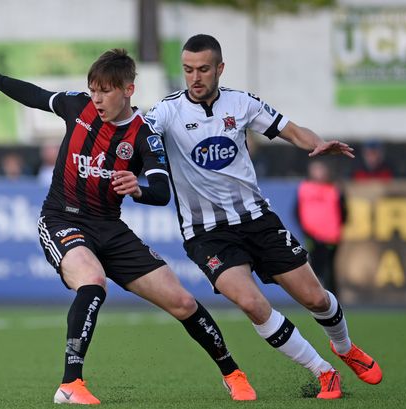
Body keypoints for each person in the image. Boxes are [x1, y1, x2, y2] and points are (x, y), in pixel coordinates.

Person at [0, 47, 256, 404]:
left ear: (128, 90)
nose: (97, 99)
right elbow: (33, 95)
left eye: (105, 91)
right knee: (93, 282)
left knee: (182, 302)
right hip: (62, 218)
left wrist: (138, 189)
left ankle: (233, 374)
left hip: (110, 228)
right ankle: (71, 384)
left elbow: (161, 192)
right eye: (93, 90)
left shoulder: (144, 135)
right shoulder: (77, 107)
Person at [145, 34, 383, 400]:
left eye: (204, 69)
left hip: (257, 220)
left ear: (219, 69)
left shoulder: (241, 103)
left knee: (316, 299)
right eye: (188, 69)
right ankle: (323, 371)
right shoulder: (167, 111)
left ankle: (345, 347)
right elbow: (134, 134)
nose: (195, 77)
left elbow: (291, 129)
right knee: (253, 304)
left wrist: (316, 143)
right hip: (206, 234)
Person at [297, 160, 346, 296]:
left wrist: (335, 228)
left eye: (320, 169)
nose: (318, 173)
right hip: (312, 235)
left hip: (330, 236)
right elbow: (297, 212)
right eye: (315, 169)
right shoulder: (305, 189)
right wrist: (306, 230)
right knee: (314, 268)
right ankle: (316, 297)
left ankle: (333, 300)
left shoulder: (335, 189)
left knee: (329, 268)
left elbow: (344, 212)